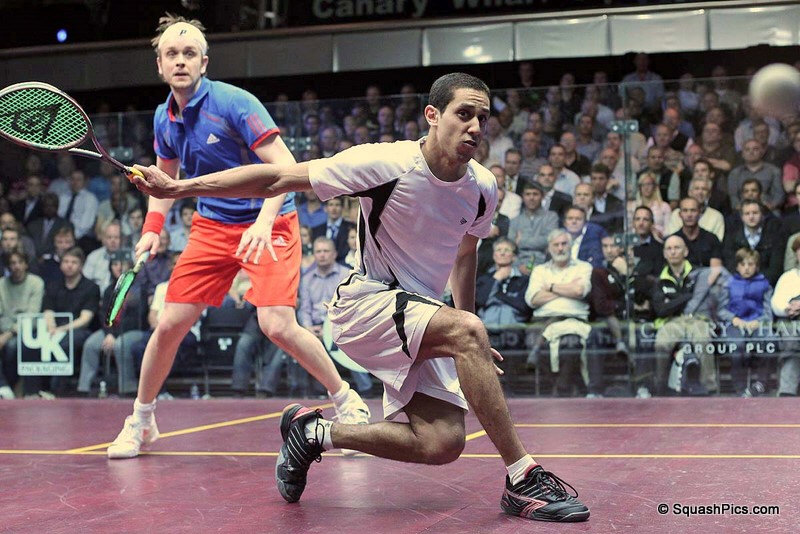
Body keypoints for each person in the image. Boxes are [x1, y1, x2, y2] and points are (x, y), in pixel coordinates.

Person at [133, 72, 589, 522]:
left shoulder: (482, 187)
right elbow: (276, 178)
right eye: (463, 113)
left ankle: (315, 434)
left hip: (420, 315)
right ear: (432, 115)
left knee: (442, 442)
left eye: (482, 118)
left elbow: (465, 254)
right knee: (466, 332)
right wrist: (178, 188)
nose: (474, 126)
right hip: (366, 305)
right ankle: (523, 477)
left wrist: (465, 336)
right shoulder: (384, 163)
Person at [107, 13, 369, 460]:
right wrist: (152, 229)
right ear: (160, 65)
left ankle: (348, 401)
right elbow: (165, 180)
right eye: (172, 54)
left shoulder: (235, 103)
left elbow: (286, 167)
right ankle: (142, 420)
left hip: (271, 219)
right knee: (169, 323)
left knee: (276, 325)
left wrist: (264, 221)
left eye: (189, 53)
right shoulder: (163, 118)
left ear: (204, 62)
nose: (181, 61)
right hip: (212, 226)